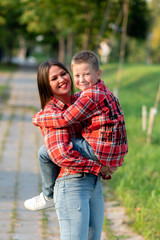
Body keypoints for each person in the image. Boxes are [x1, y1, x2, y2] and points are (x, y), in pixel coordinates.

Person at [25, 58, 116, 240]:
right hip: (71, 185)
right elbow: (62, 155)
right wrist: (99, 167)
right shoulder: (51, 113)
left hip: (93, 184)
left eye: (63, 73)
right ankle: (48, 195)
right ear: (46, 86)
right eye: (54, 78)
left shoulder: (80, 103)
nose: (61, 79)